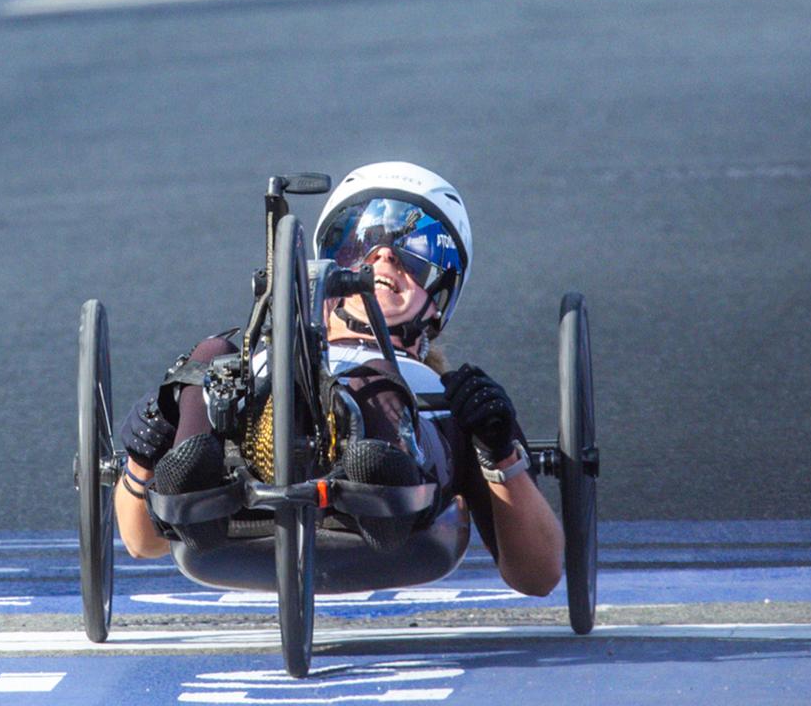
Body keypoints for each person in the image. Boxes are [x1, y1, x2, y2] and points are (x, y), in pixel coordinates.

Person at [115, 161, 564, 599]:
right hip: (233, 505)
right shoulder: (252, 362)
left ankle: (380, 484)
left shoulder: (448, 395)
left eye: (416, 251)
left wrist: (500, 454)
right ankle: (192, 499)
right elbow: (142, 543)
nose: (384, 255)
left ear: (441, 295)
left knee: (373, 376)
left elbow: (537, 576)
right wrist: (145, 451)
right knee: (212, 355)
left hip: (394, 526)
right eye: (359, 241)